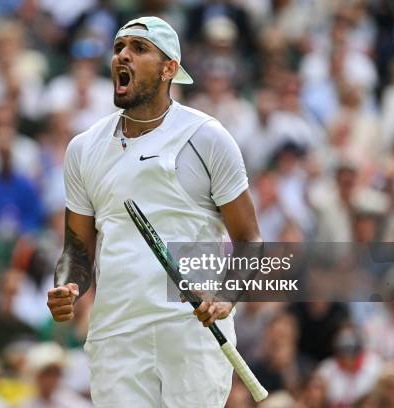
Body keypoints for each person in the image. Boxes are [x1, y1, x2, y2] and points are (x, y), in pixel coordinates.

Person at [46, 16, 261, 407]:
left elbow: (250, 240)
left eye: (139, 48)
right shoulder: (82, 148)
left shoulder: (207, 137)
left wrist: (227, 294)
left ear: (169, 69)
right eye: (118, 48)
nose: (122, 55)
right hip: (116, 334)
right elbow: (77, 250)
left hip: (190, 330)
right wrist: (68, 286)